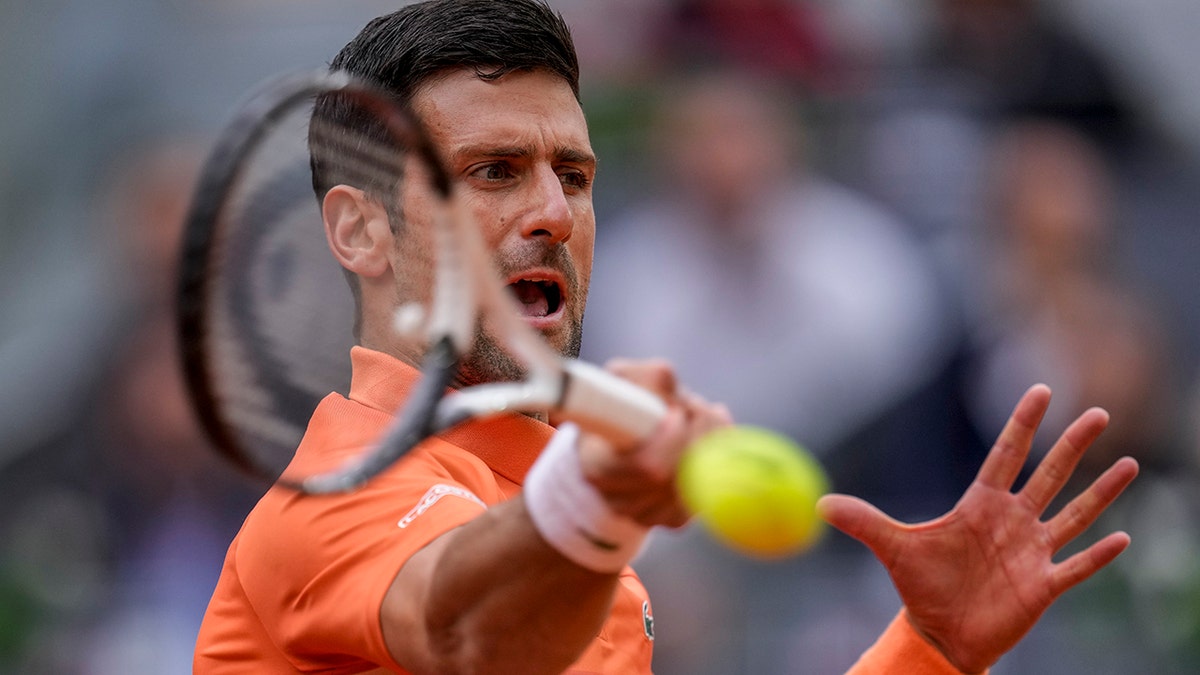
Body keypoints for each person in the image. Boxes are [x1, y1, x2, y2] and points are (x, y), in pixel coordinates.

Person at [193, 2, 1139, 674]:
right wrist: (597, 504)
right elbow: (468, 640)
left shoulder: (557, 512)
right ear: (361, 228)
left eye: (575, 172)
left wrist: (930, 648)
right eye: (493, 170)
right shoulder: (332, 504)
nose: (556, 212)